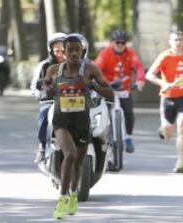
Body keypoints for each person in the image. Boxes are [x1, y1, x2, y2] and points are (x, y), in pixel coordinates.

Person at [44, 34, 113, 219]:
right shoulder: (54, 70)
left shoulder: (90, 69)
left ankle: (74, 194)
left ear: (82, 51)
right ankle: (62, 200)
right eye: (70, 50)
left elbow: (110, 93)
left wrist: (93, 86)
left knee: (78, 164)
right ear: (64, 53)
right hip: (62, 121)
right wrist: (48, 88)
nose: (74, 53)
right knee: (70, 155)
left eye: (77, 50)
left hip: (82, 122)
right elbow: (46, 86)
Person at [146, 31, 183, 173]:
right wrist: (163, 83)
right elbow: (149, 75)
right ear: (170, 42)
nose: (178, 42)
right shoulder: (165, 57)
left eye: (181, 39)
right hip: (168, 98)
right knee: (169, 134)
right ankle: (164, 130)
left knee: (181, 128)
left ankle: (180, 161)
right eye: (175, 40)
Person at [94, 30, 145, 153]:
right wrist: (94, 83)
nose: (121, 45)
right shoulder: (105, 54)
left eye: (123, 42)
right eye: (118, 42)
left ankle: (128, 137)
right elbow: (95, 69)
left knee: (129, 112)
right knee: (103, 112)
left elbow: (139, 67)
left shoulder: (130, 54)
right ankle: (103, 136)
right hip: (107, 88)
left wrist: (140, 80)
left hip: (124, 88)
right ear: (112, 43)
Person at [31, 32, 67, 163]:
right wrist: (41, 95)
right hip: (51, 102)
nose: (60, 54)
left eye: (63, 50)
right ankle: (42, 146)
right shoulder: (44, 66)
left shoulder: (78, 65)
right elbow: (35, 86)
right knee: (44, 112)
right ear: (51, 51)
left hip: (74, 102)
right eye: (56, 51)